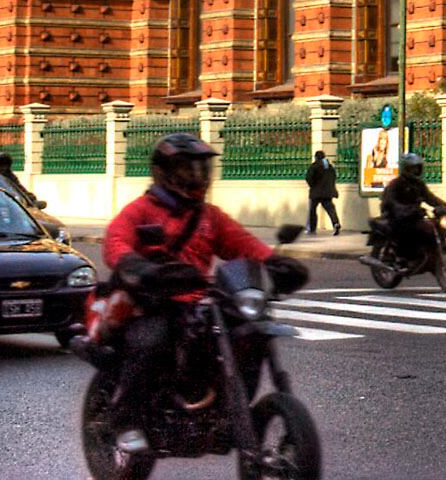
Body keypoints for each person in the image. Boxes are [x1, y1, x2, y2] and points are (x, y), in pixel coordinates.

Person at [100, 133, 285, 465]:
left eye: (202, 170)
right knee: (153, 341)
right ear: (165, 173)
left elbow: (242, 244)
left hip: (199, 303)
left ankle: (230, 412)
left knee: (249, 332)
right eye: (188, 170)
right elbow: (116, 241)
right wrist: (137, 266)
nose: (197, 177)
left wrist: (276, 263)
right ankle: (124, 419)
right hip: (154, 302)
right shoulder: (142, 210)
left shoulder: (210, 216)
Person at [377, 151, 446, 271]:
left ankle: (426, 255)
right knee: (406, 231)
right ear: (406, 169)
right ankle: (401, 258)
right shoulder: (396, 184)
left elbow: (430, 198)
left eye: (417, 168)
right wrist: (404, 208)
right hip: (395, 215)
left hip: (413, 214)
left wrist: (445, 206)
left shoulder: (418, 184)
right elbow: (390, 201)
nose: (415, 171)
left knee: (431, 227)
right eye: (412, 168)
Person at [304, 150, 342, 236]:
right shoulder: (330, 167)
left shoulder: (314, 166)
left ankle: (312, 229)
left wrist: (313, 185)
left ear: (316, 157)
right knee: (331, 209)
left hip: (316, 193)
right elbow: (333, 178)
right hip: (327, 192)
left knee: (313, 211)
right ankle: (336, 223)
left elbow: (308, 178)